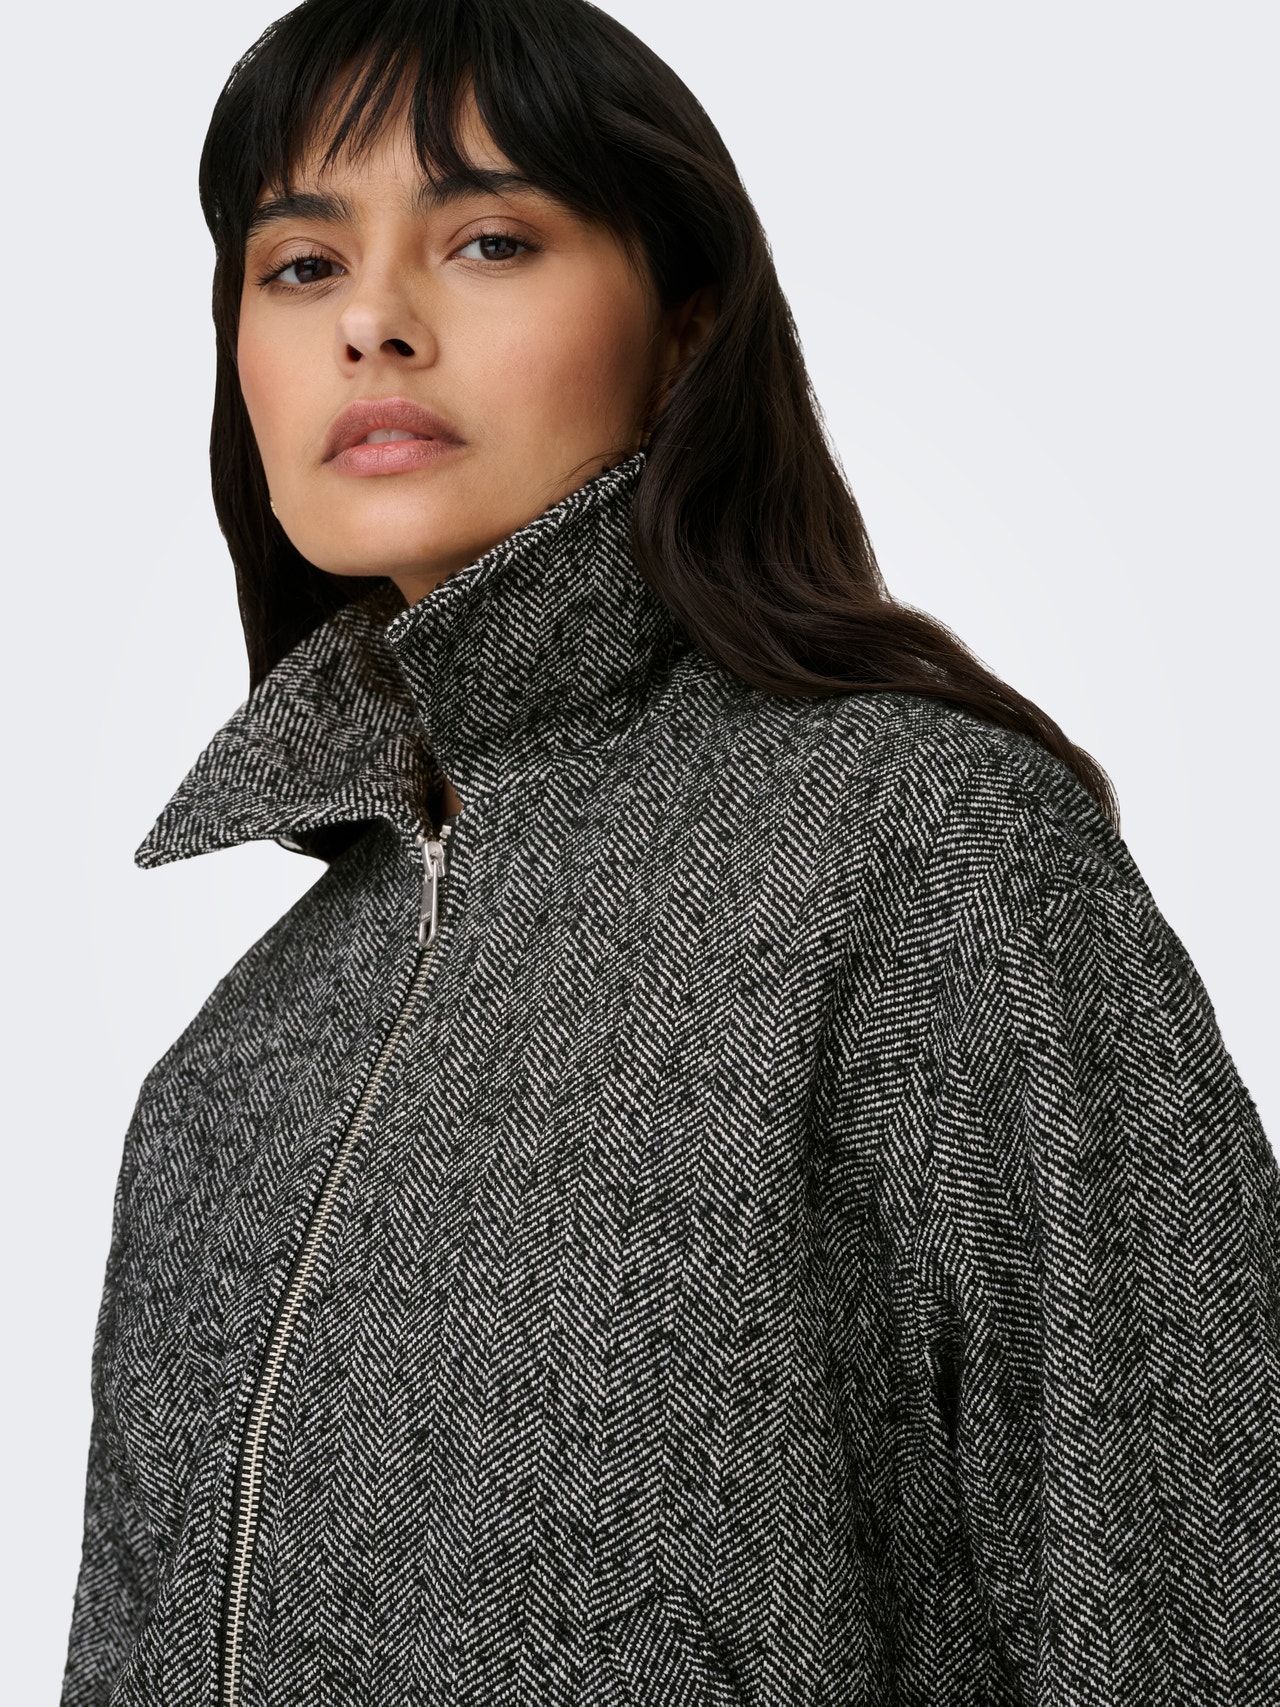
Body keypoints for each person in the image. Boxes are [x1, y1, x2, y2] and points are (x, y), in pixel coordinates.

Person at [62, 0, 1280, 1702]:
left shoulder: (924, 856)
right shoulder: (228, 1073)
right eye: (301, 265)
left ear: (684, 325)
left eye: (490, 241)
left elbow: (1199, 1607)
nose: (374, 323)